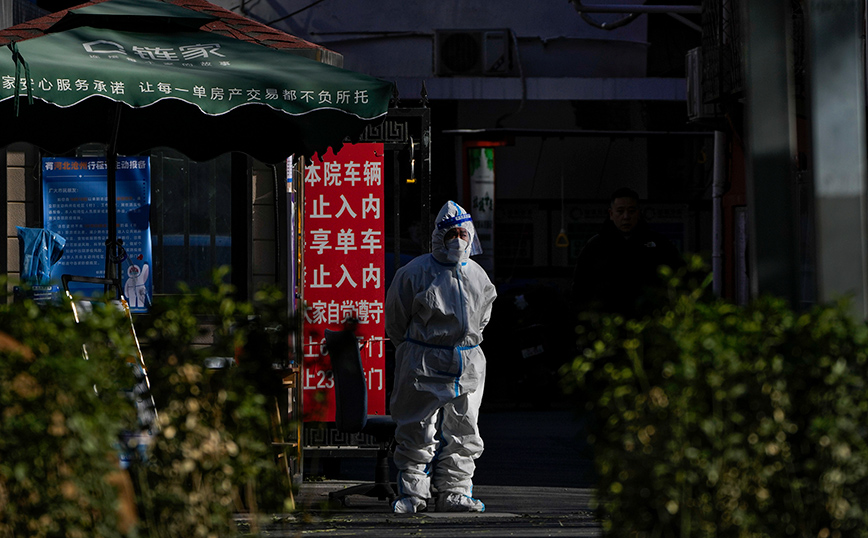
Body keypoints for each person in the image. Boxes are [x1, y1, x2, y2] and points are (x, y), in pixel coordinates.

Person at [385, 200, 497, 514]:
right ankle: (413, 494)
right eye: (451, 234)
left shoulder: (477, 275)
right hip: (423, 361)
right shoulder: (416, 272)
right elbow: (395, 319)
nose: (458, 240)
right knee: (416, 429)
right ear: (439, 236)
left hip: (466, 363)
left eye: (463, 233)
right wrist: (413, 348)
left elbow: (483, 317)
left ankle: (456, 493)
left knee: (464, 430)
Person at [571, 187, 683, 316]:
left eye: (631, 211)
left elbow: (677, 277)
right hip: (607, 320)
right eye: (620, 211)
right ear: (611, 214)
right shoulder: (595, 247)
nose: (626, 217)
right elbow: (580, 288)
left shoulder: (658, 244)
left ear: (638, 213)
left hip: (648, 319)